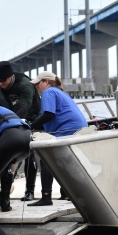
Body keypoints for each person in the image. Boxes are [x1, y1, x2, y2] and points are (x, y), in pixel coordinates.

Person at [28, 71, 88, 206]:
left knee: (47, 159)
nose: (36, 86)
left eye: (38, 83)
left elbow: (49, 114)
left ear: (46, 82)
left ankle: (46, 197)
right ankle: (66, 194)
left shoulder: (48, 92)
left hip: (67, 129)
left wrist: (31, 126)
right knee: (65, 160)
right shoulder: (60, 92)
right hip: (77, 129)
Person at [0, 61, 41, 201]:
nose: (0, 83)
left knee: (30, 153)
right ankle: (5, 196)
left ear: (10, 76)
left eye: (3, 80)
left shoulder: (24, 84)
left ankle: (30, 191)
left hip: (31, 118)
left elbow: (24, 108)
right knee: (5, 155)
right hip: (8, 122)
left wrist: (9, 124)